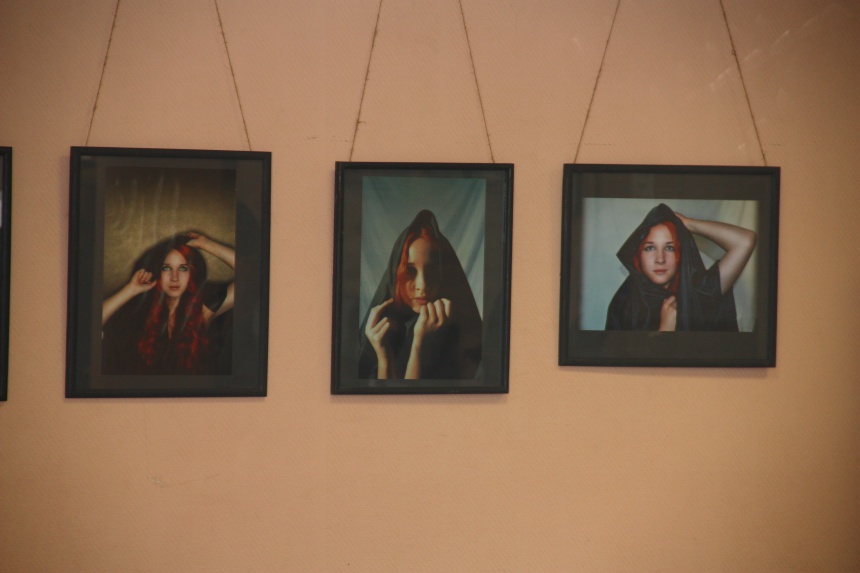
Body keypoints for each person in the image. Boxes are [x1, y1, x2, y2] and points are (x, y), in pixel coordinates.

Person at [359, 210, 482, 380]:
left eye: (432, 271)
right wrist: (384, 358)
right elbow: (385, 397)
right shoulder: (383, 330)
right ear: (396, 274)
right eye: (410, 271)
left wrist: (419, 345)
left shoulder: (463, 335)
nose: (422, 286)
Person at [605, 203, 756, 331]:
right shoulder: (624, 302)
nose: (660, 259)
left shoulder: (701, 290)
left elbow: (745, 241)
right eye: (650, 248)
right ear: (637, 255)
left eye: (670, 248)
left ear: (681, 253)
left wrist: (689, 224)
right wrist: (665, 329)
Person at [101, 232, 235, 374]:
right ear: (158, 272)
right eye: (166, 268)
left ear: (192, 273)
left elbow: (250, 277)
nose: (174, 277)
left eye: (182, 268)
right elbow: (91, 327)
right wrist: (130, 289)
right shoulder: (140, 313)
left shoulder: (202, 311)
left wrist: (206, 244)